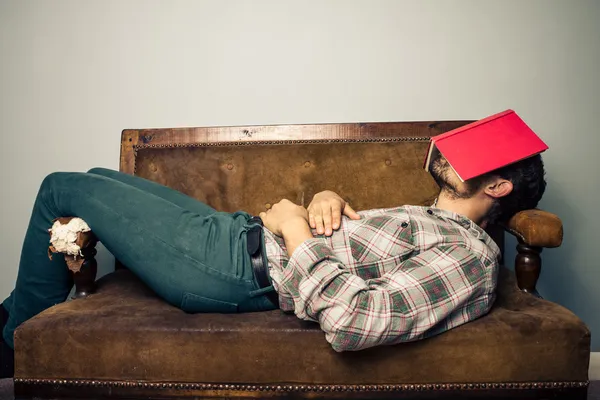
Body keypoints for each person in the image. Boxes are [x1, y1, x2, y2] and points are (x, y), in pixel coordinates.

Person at [0, 151, 546, 378]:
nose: (451, 151)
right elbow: (357, 252)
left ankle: (8, 341)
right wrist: (323, 199)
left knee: (60, 189)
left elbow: (355, 320)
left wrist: (294, 228)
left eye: (478, 151)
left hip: (231, 267)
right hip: (237, 233)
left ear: (497, 185)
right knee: (99, 176)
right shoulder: (430, 218)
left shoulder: (472, 256)